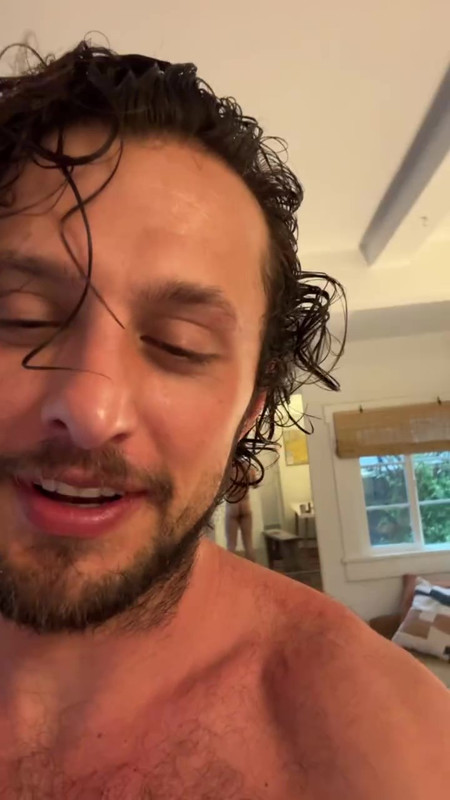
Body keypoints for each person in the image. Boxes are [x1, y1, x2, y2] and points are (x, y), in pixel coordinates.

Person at [0, 41, 447, 800]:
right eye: (19, 315)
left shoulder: (394, 758)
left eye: (179, 345)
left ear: (250, 413)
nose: (90, 409)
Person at [225, 465, 257, 560]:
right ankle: (252, 567)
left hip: (232, 506)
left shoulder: (227, 469)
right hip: (245, 505)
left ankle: (230, 568)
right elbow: (255, 485)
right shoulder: (248, 467)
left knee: (231, 545)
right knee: (248, 543)